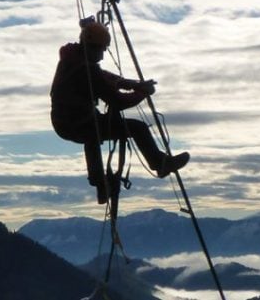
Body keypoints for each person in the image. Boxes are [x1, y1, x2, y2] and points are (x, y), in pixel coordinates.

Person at [50, 19, 189, 203]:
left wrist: (132, 84)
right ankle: (159, 164)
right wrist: (142, 93)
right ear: (92, 47)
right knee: (135, 128)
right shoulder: (86, 70)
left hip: (67, 122)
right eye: (101, 50)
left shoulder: (72, 57)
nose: (102, 55)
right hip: (80, 123)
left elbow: (104, 76)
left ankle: (101, 185)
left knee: (93, 135)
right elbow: (118, 100)